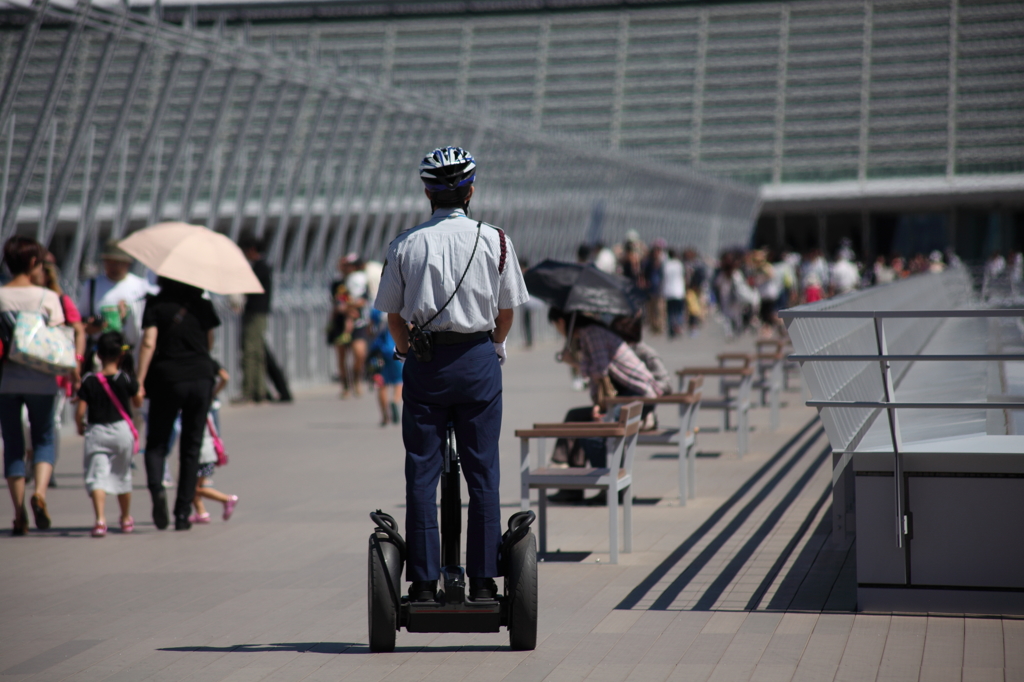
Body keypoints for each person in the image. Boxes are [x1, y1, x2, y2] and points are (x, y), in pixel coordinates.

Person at [374, 146, 530, 603]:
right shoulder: (496, 240)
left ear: (427, 191)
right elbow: (505, 313)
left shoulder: (405, 244)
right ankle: (483, 581)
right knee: (483, 472)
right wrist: (493, 348)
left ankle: (422, 583)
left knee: (421, 473)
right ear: (471, 190)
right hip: (478, 362)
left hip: (426, 366)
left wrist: (407, 351)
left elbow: (394, 318)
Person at [137, 277, 220, 531]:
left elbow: (149, 342)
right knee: (191, 446)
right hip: (200, 377)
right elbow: (209, 342)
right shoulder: (202, 304)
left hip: (167, 379)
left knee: (156, 443)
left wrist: (139, 380)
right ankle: (182, 514)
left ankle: (156, 491)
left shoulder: (156, 304)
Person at [0, 237, 66, 534]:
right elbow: (59, 340)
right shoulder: (46, 298)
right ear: (32, 263)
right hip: (42, 380)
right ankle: (39, 493)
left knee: (13, 444)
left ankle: (18, 513)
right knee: (43, 439)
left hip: (7, 380)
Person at [75, 332, 141, 537]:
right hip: (121, 432)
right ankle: (125, 518)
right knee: (122, 475)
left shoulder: (89, 380)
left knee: (97, 477)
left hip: (97, 432)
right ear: (120, 355)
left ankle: (100, 520)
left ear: (98, 355)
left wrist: (79, 425)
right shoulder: (125, 378)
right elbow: (137, 402)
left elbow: (80, 412)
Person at [77, 240, 155, 369]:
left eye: (117, 262)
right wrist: (90, 327)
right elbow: (80, 321)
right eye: (109, 262)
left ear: (127, 263)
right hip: (101, 355)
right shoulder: (92, 285)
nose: (113, 266)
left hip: (130, 353)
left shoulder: (140, 286)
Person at [189, 361, 238, 524]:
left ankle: (226, 499)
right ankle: (201, 512)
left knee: (193, 487)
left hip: (201, 453)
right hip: (209, 453)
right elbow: (224, 377)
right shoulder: (206, 402)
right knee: (194, 485)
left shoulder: (194, 407)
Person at [238, 236, 272, 403]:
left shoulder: (259, 268)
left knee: (250, 352)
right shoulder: (264, 267)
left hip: (255, 313)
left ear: (252, 250)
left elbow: (250, 289)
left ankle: (249, 391)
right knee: (257, 352)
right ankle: (260, 390)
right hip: (260, 313)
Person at [368, 309, 403, 427]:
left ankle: (384, 416)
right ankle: (395, 400)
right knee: (399, 380)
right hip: (397, 347)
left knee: (381, 382)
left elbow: (370, 330)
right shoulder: (401, 306)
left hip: (379, 350)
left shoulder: (376, 310)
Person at [661, 248, 686, 339]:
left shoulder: (666, 264)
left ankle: (672, 328)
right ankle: (678, 326)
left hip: (669, 291)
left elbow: (663, 276)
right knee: (679, 311)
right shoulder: (679, 264)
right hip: (679, 291)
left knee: (670, 312)